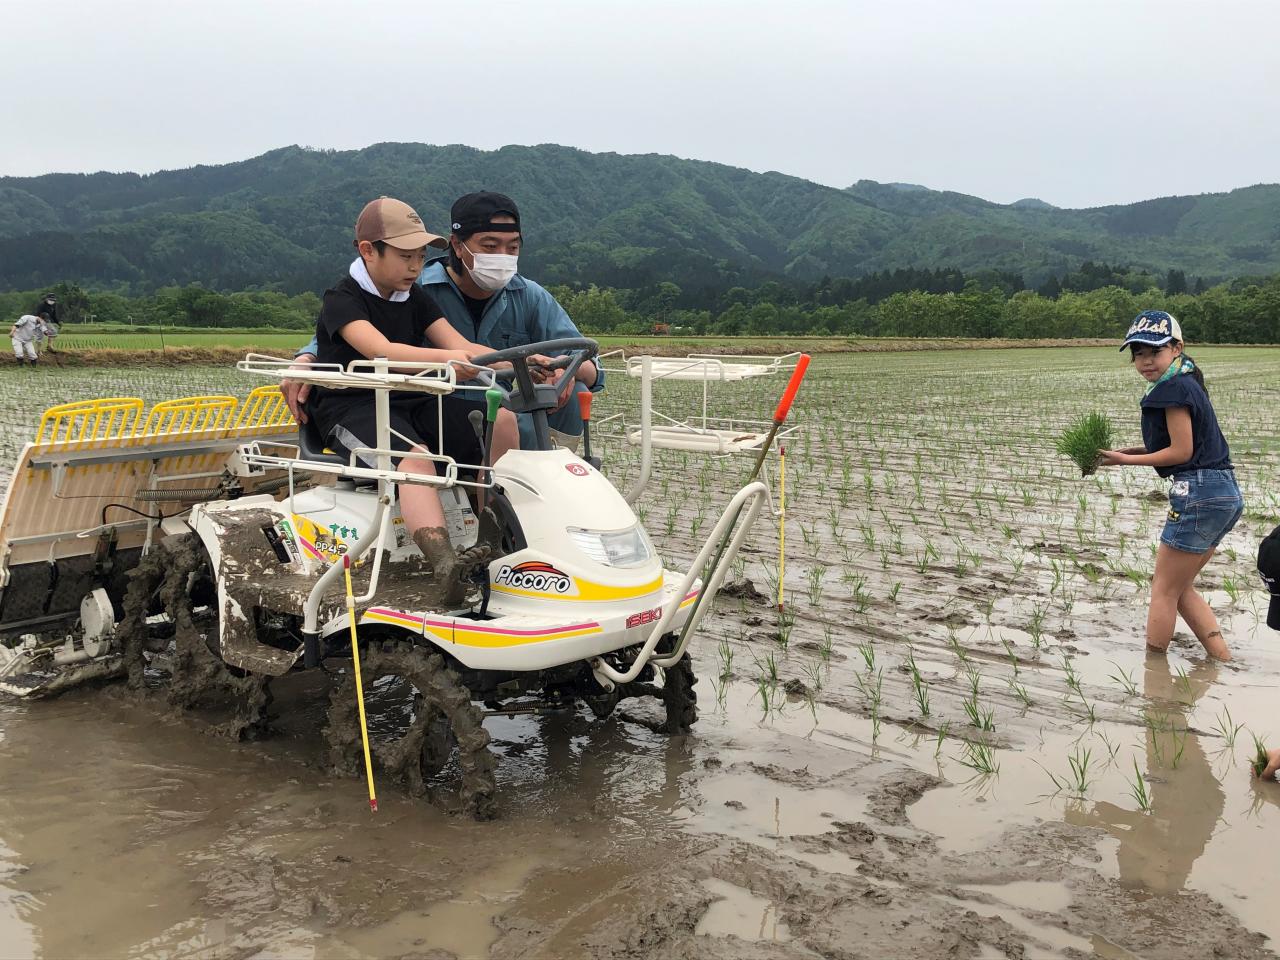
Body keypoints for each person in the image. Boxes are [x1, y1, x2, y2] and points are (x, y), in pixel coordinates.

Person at [308, 196, 519, 603]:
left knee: (503, 423)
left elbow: (460, 346)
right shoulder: (342, 298)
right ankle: (444, 563)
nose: (415, 267)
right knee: (416, 458)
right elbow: (379, 350)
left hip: (412, 397)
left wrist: (523, 360)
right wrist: (448, 359)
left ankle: (493, 538)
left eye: (421, 256)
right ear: (368, 251)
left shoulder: (416, 296)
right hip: (352, 405)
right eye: (405, 256)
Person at [287, 192, 601, 451]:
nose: (502, 256)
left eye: (513, 247)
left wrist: (561, 368)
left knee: (568, 394)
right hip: (433, 410)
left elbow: (589, 364)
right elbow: (353, 333)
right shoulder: (412, 287)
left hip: (501, 414)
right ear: (457, 244)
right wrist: (305, 358)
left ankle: (522, 500)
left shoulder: (530, 296)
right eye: (490, 247)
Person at [1098, 310, 1243, 661]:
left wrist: (1124, 462)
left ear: (1177, 348)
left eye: (1154, 351)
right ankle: (1221, 658)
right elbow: (1175, 447)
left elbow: (1181, 451)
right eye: (1138, 353)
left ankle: (1154, 672)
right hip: (1224, 493)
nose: (1146, 361)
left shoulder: (1172, 389)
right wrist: (1122, 452)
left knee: (1162, 590)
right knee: (1180, 588)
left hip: (1198, 492)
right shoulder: (1187, 381)